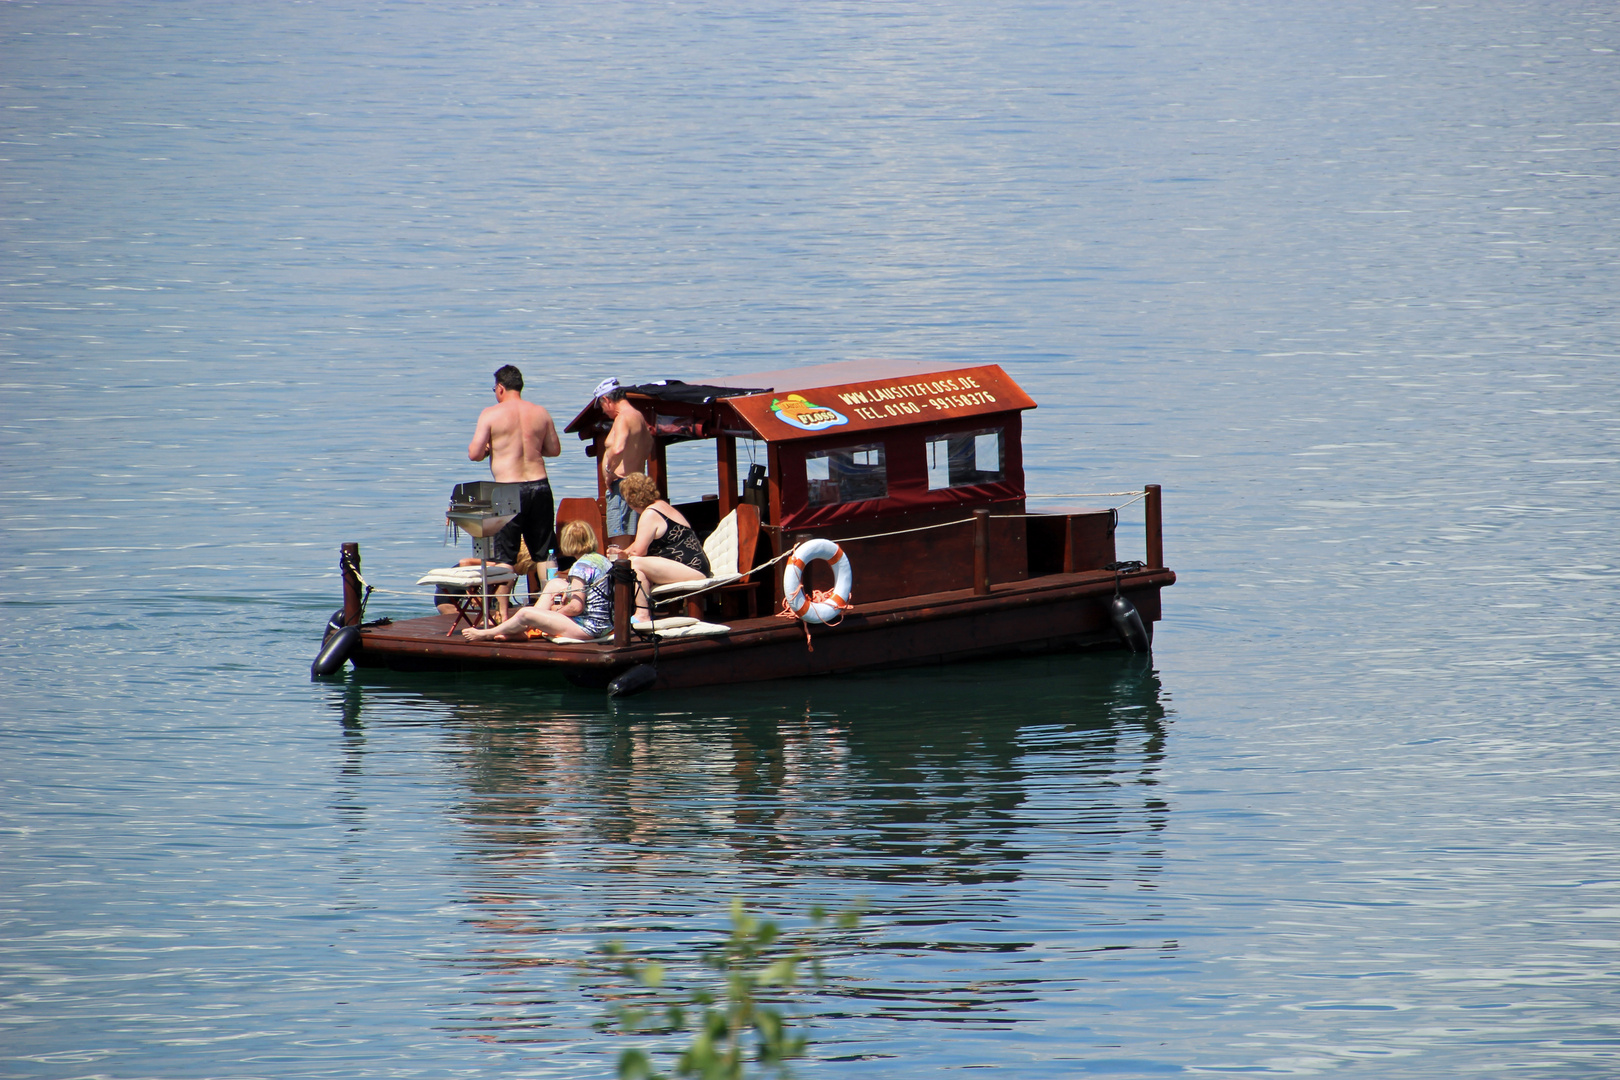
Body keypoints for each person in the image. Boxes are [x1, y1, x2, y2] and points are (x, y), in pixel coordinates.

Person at [468, 364, 561, 621]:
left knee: (505, 556)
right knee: (544, 552)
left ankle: (503, 615)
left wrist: (490, 449)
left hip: (508, 489)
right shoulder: (540, 413)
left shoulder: (491, 414)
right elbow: (554, 449)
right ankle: (552, 609)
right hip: (540, 485)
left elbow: (474, 454)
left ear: (500, 388)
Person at [462, 520, 614, 642]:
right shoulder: (601, 560)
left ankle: (488, 633)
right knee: (554, 584)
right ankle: (527, 631)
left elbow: (576, 608)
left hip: (589, 628)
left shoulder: (580, 567)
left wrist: (556, 610)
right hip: (606, 623)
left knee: (526, 613)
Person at [606, 472, 710, 623]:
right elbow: (638, 544)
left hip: (691, 568)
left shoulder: (649, 514)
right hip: (696, 566)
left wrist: (625, 556)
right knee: (636, 562)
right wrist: (624, 552)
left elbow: (638, 552)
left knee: (635, 563)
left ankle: (642, 615)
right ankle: (641, 612)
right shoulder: (660, 506)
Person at [594, 377, 653, 541]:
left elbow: (618, 447)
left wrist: (609, 472)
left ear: (606, 400)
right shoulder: (639, 416)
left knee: (620, 543)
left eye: (601, 406)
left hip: (622, 486)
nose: (603, 411)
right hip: (637, 484)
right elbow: (649, 445)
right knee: (635, 540)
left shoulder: (622, 418)